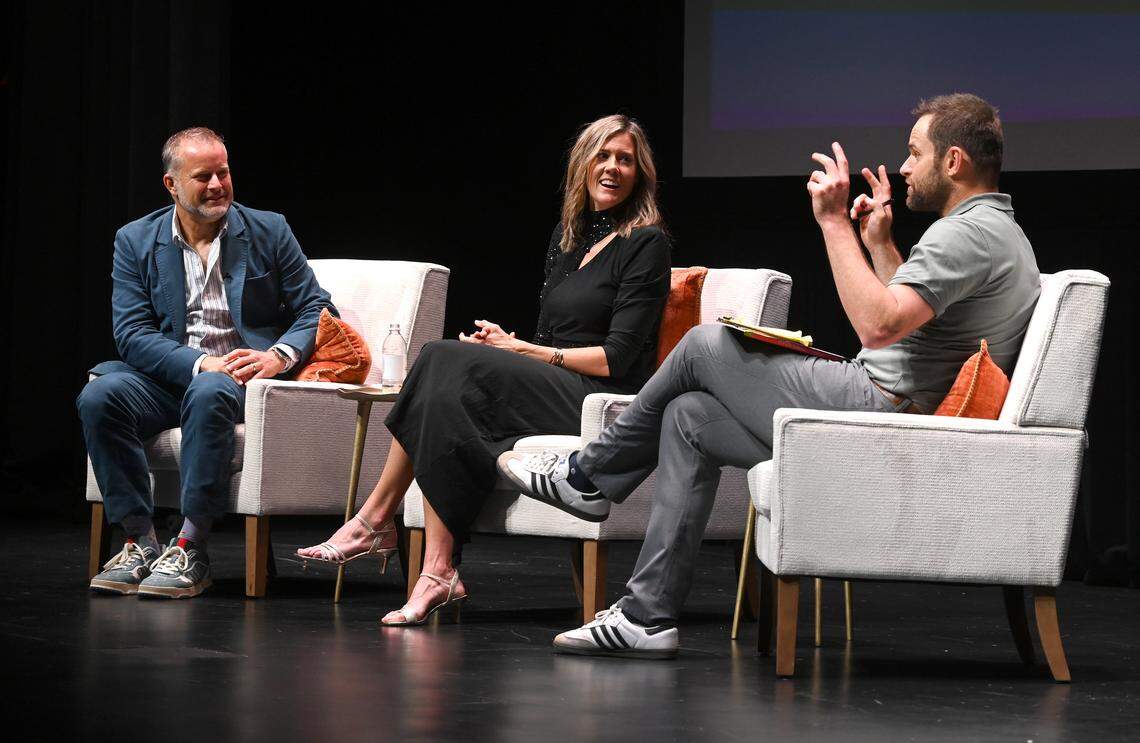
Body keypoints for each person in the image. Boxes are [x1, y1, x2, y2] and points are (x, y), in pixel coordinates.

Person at [501, 93, 1041, 657]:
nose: (905, 167)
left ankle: (588, 475)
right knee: (689, 418)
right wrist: (879, 244)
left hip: (882, 410)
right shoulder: (997, 231)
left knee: (707, 343)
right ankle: (646, 617)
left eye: (914, 153)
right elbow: (914, 319)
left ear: (952, 162)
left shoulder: (965, 234)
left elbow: (880, 326)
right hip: (888, 401)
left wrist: (833, 222)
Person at [296, 114, 672, 625]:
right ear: (582, 165)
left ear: (640, 173)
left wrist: (518, 352)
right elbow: (548, 340)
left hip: (600, 399)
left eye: (624, 159)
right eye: (602, 156)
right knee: (442, 379)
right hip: (558, 381)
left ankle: (374, 520)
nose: (612, 168)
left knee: (440, 360)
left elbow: (617, 359)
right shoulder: (569, 240)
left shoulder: (646, 244)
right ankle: (436, 570)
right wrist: (504, 347)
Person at [79, 127, 335, 598]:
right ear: (171, 185)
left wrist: (278, 355)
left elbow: (317, 309)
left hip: (238, 380)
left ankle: (190, 544)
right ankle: (140, 540)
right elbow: (132, 334)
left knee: (211, 388)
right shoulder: (135, 240)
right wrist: (199, 363)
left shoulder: (268, 229)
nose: (218, 184)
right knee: (100, 395)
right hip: (171, 375)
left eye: (224, 172)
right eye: (203, 176)